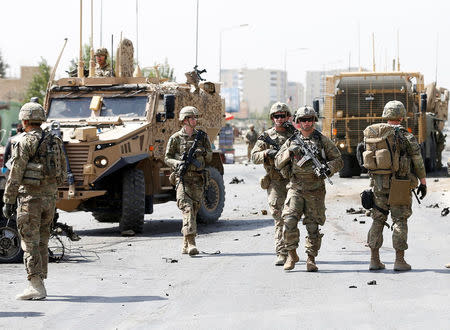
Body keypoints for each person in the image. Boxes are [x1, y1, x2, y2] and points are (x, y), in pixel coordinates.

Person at [2, 100, 67, 300]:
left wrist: (8, 200)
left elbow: (15, 175)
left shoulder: (24, 141)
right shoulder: (54, 141)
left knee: (29, 243)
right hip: (49, 200)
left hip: (30, 200)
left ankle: (36, 286)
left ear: (25, 119)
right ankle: (40, 281)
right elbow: (63, 173)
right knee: (42, 241)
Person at [275, 106, 343, 271]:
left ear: (314, 120)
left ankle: (311, 258)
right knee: (289, 220)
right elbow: (277, 162)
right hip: (296, 187)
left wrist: (328, 168)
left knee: (313, 226)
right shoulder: (291, 141)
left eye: (310, 119)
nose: (307, 123)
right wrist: (288, 153)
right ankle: (291, 255)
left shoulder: (322, 140)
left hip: (315, 189)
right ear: (298, 122)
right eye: (303, 120)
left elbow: (338, 160)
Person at [363, 100, 426, 271]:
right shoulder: (406, 136)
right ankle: (399, 261)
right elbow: (418, 162)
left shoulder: (373, 134)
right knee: (399, 220)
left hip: (378, 184)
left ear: (385, 114)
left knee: (377, 219)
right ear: (402, 116)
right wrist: (423, 182)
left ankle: (374, 260)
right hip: (400, 184)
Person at [164, 106, 212, 256]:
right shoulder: (175, 138)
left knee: (195, 209)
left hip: (198, 179)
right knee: (187, 209)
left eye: (195, 118)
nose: (195, 120)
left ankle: (185, 243)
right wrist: (177, 163)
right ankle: (191, 242)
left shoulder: (202, 137)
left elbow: (210, 156)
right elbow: (167, 157)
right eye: (192, 118)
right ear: (185, 120)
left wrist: (202, 152)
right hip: (183, 179)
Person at [251, 102, 293, 266]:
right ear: (272, 118)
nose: (280, 119)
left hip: (292, 180)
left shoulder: (295, 135)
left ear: (288, 117)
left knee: (291, 218)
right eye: (277, 116)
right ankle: (281, 253)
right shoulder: (266, 136)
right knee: (279, 217)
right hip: (275, 181)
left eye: (283, 116)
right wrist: (267, 152)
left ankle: (291, 251)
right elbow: (254, 156)